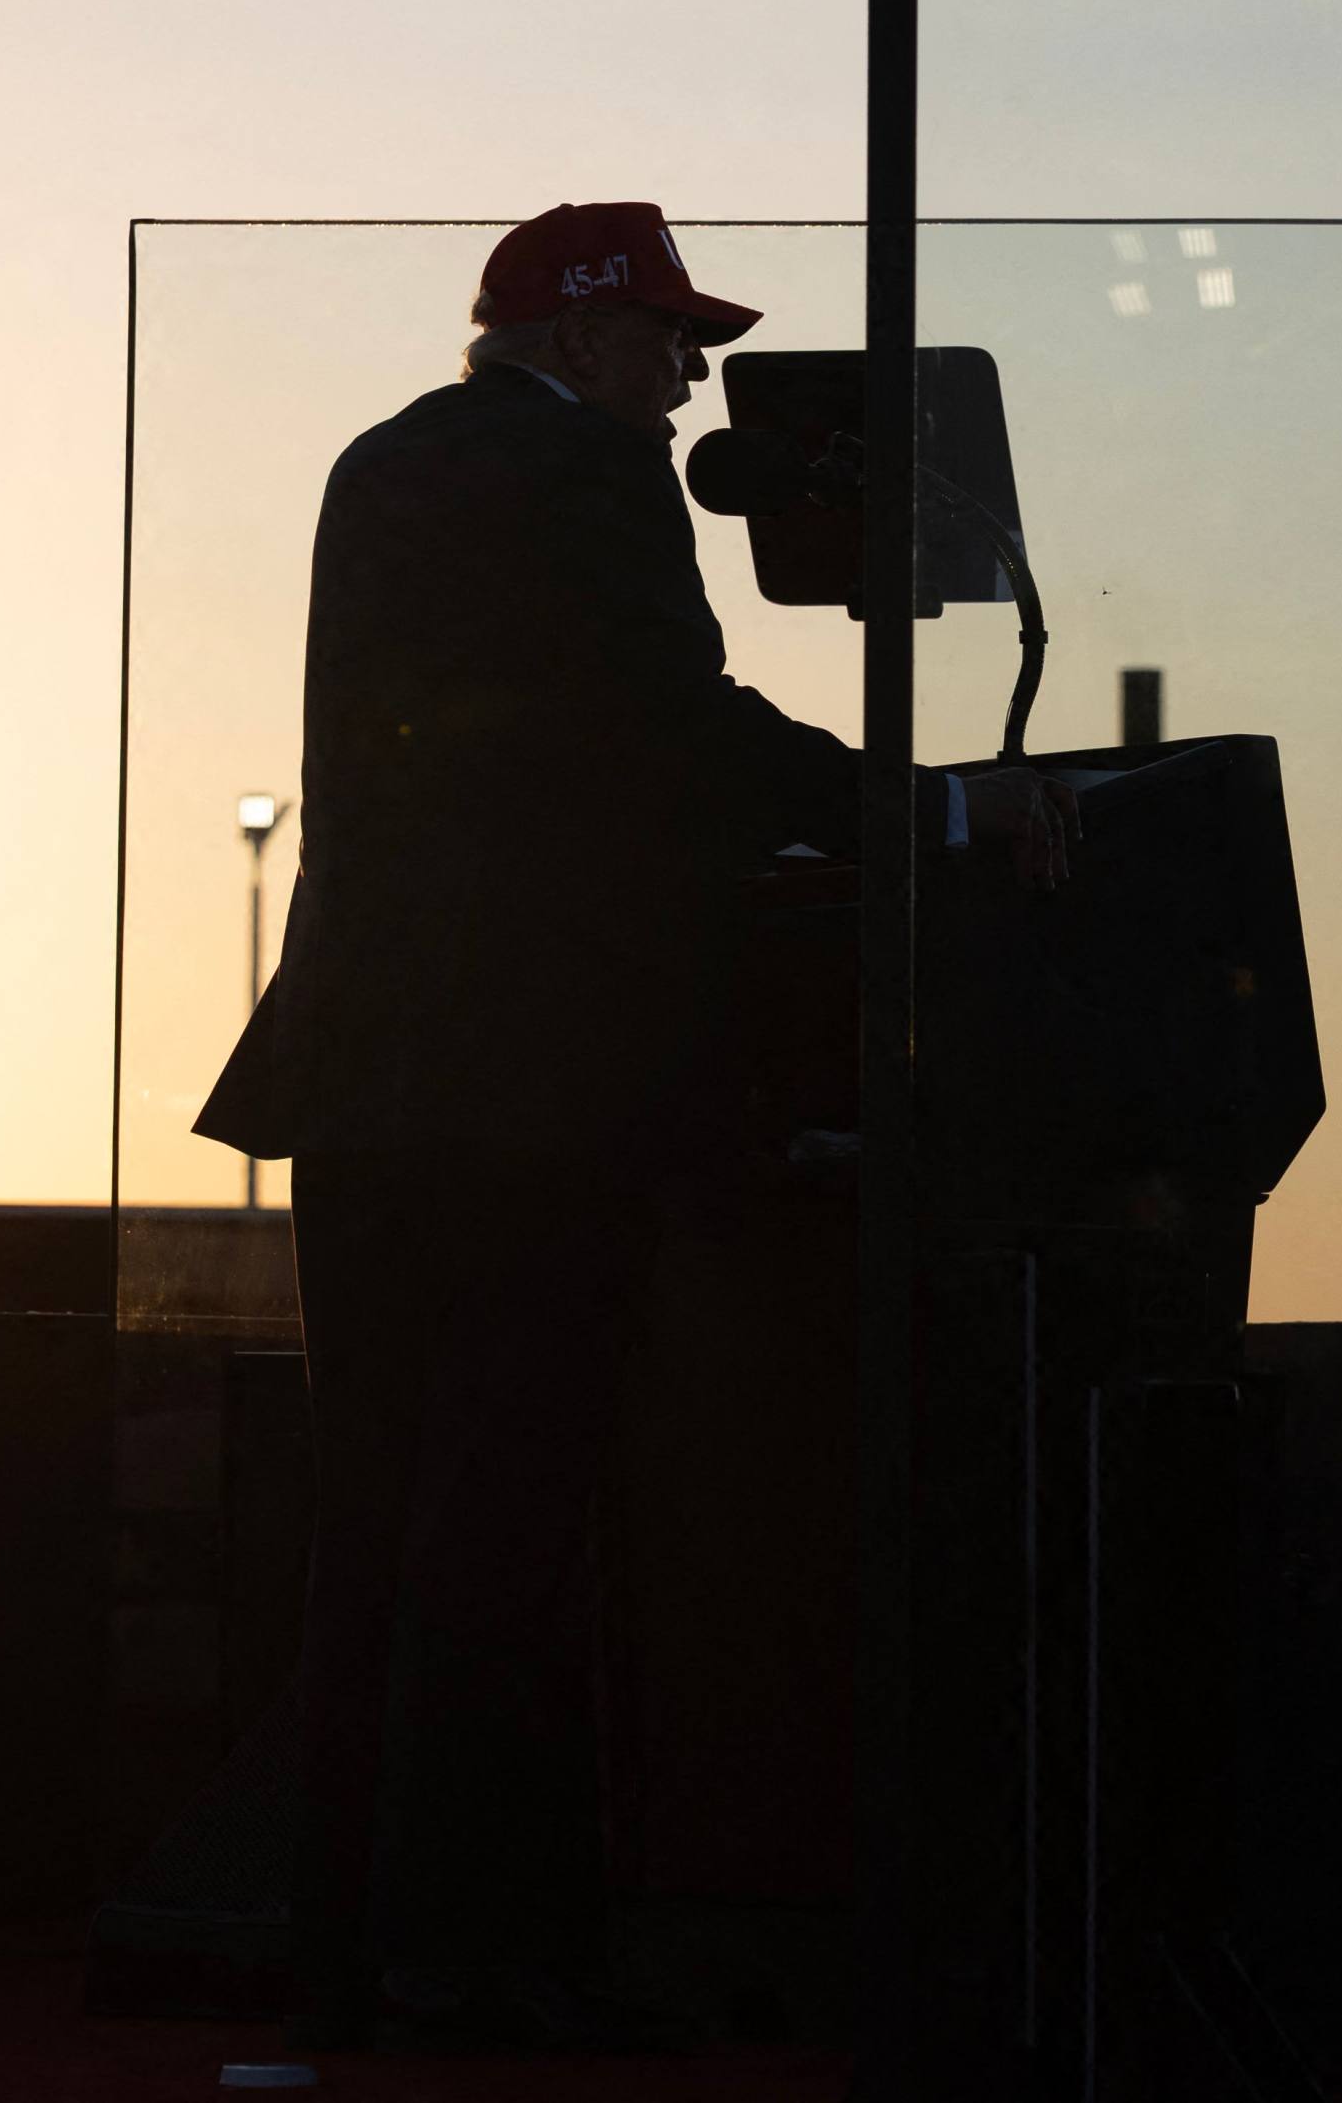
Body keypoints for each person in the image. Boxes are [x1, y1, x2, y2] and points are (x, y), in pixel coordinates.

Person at [194, 201, 1070, 2051]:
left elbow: (534, 754)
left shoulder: (387, 467)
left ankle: (357, 1957)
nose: (689, 379)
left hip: (373, 1080)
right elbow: (672, 733)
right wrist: (936, 821)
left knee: (379, 1524)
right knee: (512, 1524)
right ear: (584, 336)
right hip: (531, 1088)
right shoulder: (587, 477)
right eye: (669, 340)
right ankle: (493, 1966)